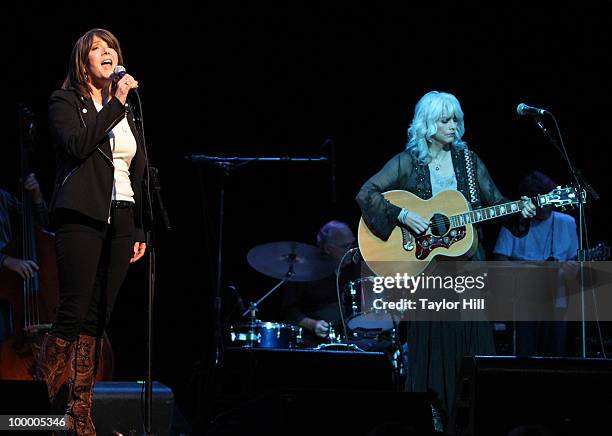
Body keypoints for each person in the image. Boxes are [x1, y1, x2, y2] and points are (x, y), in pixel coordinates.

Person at [356, 91, 536, 427]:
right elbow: (367, 193)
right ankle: (433, 421)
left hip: (468, 271)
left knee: (475, 353)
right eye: (444, 120)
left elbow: (496, 203)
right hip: (430, 275)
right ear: (426, 124)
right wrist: (404, 214)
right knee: (434, 353)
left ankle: (471, 423)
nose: (453, 126)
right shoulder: (408, 162)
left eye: (456, 119)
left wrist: (521, 210)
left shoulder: (469, 161)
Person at [32, 28, 147, 435]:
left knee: (97, 320)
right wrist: (114, 103)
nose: (107, 53)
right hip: (81, 214)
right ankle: (32, 411)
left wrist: (139, 228)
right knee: (72, 313)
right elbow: (78, 146)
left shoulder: (129, 111)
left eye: (112, 47)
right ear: (83, 61)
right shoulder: (64, 102)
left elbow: (137, 170)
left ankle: (78, 416)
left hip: (123, 216)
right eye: (97, 48)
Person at [493, 170, 578, 357]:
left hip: (556, 302)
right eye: (539, 201)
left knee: (555, 357)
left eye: (548, 199)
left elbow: (572, 263)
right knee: (524, 355)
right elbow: (500, 260)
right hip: (522, 302)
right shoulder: (515, 222)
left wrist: (572, 270)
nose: (545, 206)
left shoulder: (568, 223)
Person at [281, 220, 359, 347]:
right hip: (315, 342)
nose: (352, 250)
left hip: (353, 338)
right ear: (328, 249)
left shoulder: (355, 269)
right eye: (346, 246)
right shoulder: (305, 272)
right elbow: (289, 311)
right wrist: (312, 324)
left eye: (353, 244)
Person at [0, 174, 49, 342]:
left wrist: (36, 196)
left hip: (7, 287)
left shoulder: (3, 198)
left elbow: (40, 228)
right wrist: (6, 260)